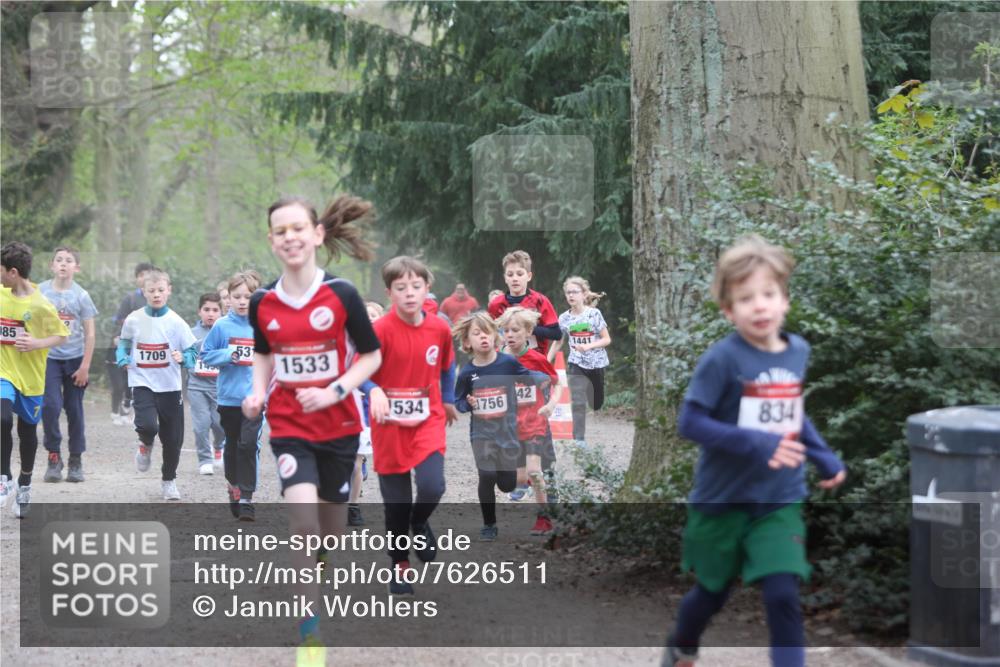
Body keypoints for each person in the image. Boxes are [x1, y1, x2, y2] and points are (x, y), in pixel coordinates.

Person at [662, 235, 846, 667]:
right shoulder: (722, 360)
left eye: (769, 294)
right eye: (746, 298)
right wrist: (759, 442)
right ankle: (683, 643)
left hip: (777, 499)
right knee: (712, 591)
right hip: (723, 500)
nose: (759, 306)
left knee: (782, 594)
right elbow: (690, 423)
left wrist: (823, 455)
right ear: (729, 310)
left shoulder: (797, 351)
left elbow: (792, 414)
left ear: (785, 300)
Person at [243, 195, 381, 653]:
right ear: (271, 241)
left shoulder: (340, 294)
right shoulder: (262, 301)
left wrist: (336, 390)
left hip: (340, 426)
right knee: (303, 521)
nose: (290, 237)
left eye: (298, 228)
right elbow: (264, 352)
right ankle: (309, 630)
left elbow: (371, 355)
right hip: (289, 425)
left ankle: (322, 554)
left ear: (317, 235)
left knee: (330, 528)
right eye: (280, 231)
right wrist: (258, 391)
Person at [367, 256, 458, 595]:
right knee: (396, 503)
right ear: (389, 292)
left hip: (427, 418)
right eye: (400, 288)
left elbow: (448, 367)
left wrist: (448, 399)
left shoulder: (439, 328)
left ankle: (419, 521)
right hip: (388, 424)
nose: (409, 294)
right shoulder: (377, 331)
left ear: (427, 289)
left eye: (416, 287)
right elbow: (357, 372)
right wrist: (372, 389)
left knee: (433, 486)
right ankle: (400, 564)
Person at [453, 312, 549, 541]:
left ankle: (508, 478)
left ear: (495, 337)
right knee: (486, 475)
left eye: (487, 332)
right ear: (467, 342)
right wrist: (468, 402)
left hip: (508, 431)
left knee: (507, 485)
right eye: (477, 334)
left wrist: (547, 378)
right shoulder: (467, 372)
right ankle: (489, 524)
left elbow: (528, 377)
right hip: (482, 434)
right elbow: (458, 401)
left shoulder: (507, 363)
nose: (483, 337)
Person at [0, 242, 69, 517]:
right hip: (4, 372)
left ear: (13, 272)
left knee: (27, 433)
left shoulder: (41, 305)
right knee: (2, 419)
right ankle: (4, 478)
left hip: (31, 378)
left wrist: (37, 342)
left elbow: (62, 335)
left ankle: (24, 483)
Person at [117, 269, 198, 501]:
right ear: (143, 292)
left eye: (161, 290)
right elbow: (123, 344)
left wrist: (184, 358)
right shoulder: (133, 319)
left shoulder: (176, 322)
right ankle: (145, 443)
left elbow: (191, 350)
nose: (156, 295)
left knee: (173, 439)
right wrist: (123, 358)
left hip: (170, 387)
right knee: (148, 426)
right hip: (142, 382)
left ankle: (168, 480)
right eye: (151, 291)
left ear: (168, 291)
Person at [203, 271, 264, 520]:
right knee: (232, 445)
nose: (241, 301)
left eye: (247, 297)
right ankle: (234, 486)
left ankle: (247, 497)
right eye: (236, 296)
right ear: (228, 298)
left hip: (255, 398)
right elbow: (206, 355)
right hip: (228, 398)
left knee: (248, 445)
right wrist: (229, 355)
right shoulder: (221, 326)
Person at [497, 307, 561, 534]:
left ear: (528, 332)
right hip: (511, 429)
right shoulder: (499, 359)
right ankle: (541, 491)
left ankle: (544, 518)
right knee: (519, 479)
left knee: (535, 472)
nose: (510, 335)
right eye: (506, 330)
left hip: (535, 424)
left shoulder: (536, 359)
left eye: (515, 330)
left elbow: (557, 383)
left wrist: (551, 404)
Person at [39, 247, 98, 483]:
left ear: (76, 267)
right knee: (50, 407)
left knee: (74, 410)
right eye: (59, 260)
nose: (63, 264)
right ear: (52, 266)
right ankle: (54, 457)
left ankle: (75, 460)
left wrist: (85, 366)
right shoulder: (41, 292)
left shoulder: (81, 296)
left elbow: (91, 334)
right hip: (48, 358)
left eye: (69, 260)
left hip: (75, 360)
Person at [558, 276, 611, 448]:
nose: (571, 295)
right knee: (578, 402)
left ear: (583, 294)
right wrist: (547, 359)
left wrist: (590, 346)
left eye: (574, 292)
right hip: (576, 363)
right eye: (568, 292)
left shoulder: (594, 314)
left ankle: (595, 398)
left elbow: (606, 339)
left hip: (596, 363)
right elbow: (559, 341)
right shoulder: (564, 318)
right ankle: (579, 439)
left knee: (596, 403)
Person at [346, 300, 385, 527]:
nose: (369, 318)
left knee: (355, 463)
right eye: (365, 314)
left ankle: (352, 507)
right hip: (345, 410)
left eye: (374, 314)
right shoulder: (349, 343)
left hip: (368, 413)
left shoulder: (382, 347)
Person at [487, 250, 561, 362]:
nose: (515, 278)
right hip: (506, 361)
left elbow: (556, 334)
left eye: (520, 274)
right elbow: (490, 333)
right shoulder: (496, 304)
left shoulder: (540, 301)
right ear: (505, 278)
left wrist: (527, 328)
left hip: (535, 362)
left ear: (529, 276)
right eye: (510, 274)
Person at [107, 262, 155, 425]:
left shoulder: (156, 298)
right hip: (128, 345)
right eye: (140, 275)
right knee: (123, 380)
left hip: (147, 347)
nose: (144, 278)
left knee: (138, 382)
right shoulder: (131, 298)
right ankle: (119, 410)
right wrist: (118, 336)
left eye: (147, 274)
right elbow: (120, 319)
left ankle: (130, 406)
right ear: (136, 279)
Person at [187, 293, 225, 476]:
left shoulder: (225, 332)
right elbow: (185, 356)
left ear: (221, 312)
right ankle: (204, 459)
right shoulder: (191, 334)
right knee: (201, 425)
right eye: (206, 310)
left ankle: (219, 446)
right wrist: (184, 360)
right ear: (199, 311)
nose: (210, 314)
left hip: (220, 386)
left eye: (215, 310)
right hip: (197, 386)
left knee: (219, 424)